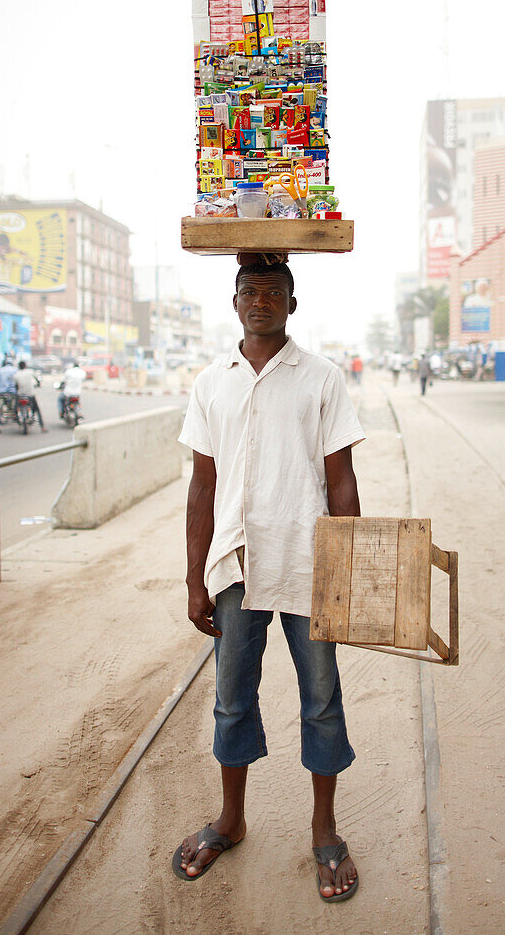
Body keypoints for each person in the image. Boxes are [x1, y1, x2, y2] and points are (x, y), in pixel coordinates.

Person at [173, 260, 364, 902]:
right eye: (249, 292)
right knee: (231, 697)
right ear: (234, 304)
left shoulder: (322, 379)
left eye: (272, 292)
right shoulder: (211, 383)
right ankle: (231, 819)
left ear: (291, 302)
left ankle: (324, 830)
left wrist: (349, 567)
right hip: (235, 567)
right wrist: (195, 579)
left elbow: (341, 478)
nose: (261, 302)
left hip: (306, 562)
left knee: (321, 699)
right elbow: (203, 487)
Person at [13, 360, 47, 431]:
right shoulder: (30, 372)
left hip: (20, 395)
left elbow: (16, 386)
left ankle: (15, 416)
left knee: (15, 407)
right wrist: (38, 383)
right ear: (25, 366)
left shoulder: (16, 374)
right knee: (37, 410)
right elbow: (37, 379)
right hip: (30, 395)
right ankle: (42, 427)